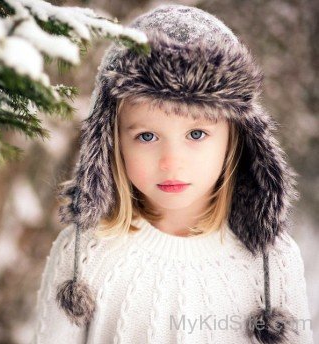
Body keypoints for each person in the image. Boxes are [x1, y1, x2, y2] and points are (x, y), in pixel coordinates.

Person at [32, 4, 314, 344]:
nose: (171, 162)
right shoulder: (84, 255)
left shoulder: (271, 263)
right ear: (110, 142)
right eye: (147, 136)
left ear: (236, 137)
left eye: (196, 134)